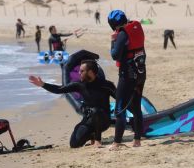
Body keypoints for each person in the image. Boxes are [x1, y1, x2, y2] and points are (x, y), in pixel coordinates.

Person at [29, 60, 116, 148]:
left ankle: (98, 140)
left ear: (90, 72)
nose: (79, 73)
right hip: (89, 120)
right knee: (74, 144)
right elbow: (59, 89)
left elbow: (120, 99)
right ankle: (92, 135)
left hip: (103, 121)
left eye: (82, 71)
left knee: (96, 110)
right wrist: (43, 84)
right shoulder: (80, 85)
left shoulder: (106, 85)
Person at [108, 10, 146, 150]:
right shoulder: (136, 27)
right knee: (136, 107)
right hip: (141, 72)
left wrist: (113, 40)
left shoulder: (123, 34)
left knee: (119, 108)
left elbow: (115, 55)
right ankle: (137, 140)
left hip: (128, 75)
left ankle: (116, 143)